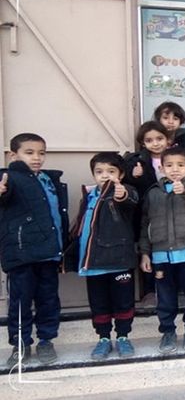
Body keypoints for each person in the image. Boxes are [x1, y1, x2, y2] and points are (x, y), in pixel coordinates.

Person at [0, 133, 68, 367]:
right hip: (22, 255)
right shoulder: (10, 178)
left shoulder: (49, 180)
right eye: (29, 153)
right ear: (13, 155)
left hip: (49, 253)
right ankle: (20, 344)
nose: (37, 158)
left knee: (48, 300)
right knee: (20, 302)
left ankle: (46, 341)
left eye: (41, 153)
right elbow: (4, 194)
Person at [64, 152, 138, 360]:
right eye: (99, 171)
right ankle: (103, 338)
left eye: (111, 171)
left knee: (123, 302)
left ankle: (123, 336)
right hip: (93, 263)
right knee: (99, 304)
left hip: (119, 261)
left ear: (120, 175)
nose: (105, 175)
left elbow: (130, 200)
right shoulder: (89, 195)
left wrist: (122, 194)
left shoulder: (124, 191)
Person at [139, 147, 185, 353]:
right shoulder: (153, 192)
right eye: (169, 165)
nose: (175, 169)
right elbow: (145, 223)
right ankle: (168, 331)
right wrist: (145, 252)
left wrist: (184, 190)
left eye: (180, 165)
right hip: (161, 255)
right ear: (161, 168)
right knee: (165, 297)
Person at [124, 121, 170, 306]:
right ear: (143, 143)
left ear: (167, 139)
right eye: (149, 140)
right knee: (147, 250)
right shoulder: (137, 160)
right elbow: (127, 184)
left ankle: (172, 287)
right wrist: (134, 175)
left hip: (173, 210)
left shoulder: (176, 156)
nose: (156, 143)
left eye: (159, 138)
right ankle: (150, 290)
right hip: (148, 212)